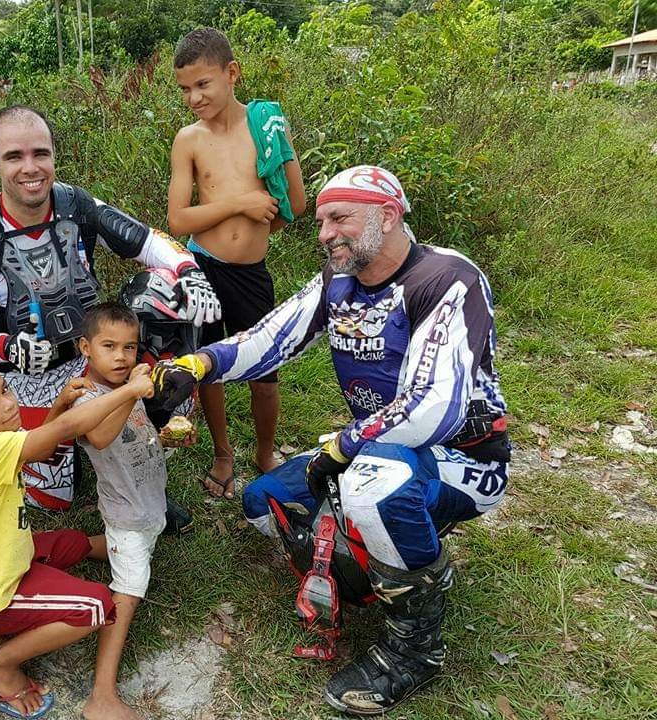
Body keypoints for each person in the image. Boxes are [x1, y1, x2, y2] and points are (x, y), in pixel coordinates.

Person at [148, 165, 511, 714]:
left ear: (387, 215)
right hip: (374, 448)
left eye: (339, 218)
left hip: (464, 457)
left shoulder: (446, 278)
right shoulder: (338, 280)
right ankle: (394, 562)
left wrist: (343, 447)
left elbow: (433, 406)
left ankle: (415, 650)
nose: (324, 234)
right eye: (320, 222)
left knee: (374, 491)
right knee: (264, 503)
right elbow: (270, 337)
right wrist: (198, 365)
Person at [0, 104, 220, 512]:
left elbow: (147, 241)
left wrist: (189, 272)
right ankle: (68, 450)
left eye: (40, 153)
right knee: (53, 499)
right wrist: (6, 347)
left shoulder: (75, 205)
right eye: (14, 156)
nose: (30, 168)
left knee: (166, 290)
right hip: (22, 378)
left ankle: (147, 449)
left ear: (54, 155)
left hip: (90, 356)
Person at [0, 357, 155, 719]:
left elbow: (43, 448)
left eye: (5, 390)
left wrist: (60, 403)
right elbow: (68, 428)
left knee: (69, 541)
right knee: (95, 606)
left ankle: (126, 545)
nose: (8, 404)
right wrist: (130, 390)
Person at [168, 27, 306, 499]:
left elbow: (295, 204)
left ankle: (266, 453)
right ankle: (223, 453)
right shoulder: (189, 140)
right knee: (210, 368)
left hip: (250, 274)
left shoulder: (266, 128)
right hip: (202, 270)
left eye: (203, 84)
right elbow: (178, 218)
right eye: (185, 89)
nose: (194, 98)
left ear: (232, 73)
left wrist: (255, 230)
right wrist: (239, 205)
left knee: (265, 372)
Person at [72, 303, 171, 720]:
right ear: (85, 348)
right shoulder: (85, 396)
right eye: (109, 346)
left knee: (136, 543)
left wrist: (167, 437)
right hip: (126, 512)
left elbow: (133, 433)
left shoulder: (127, 385)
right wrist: (130, 391)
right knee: (128, 591)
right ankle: (101, 696)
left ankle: (58, 549)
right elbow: (99, 437)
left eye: (129, 347)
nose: (121, 356)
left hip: (147, 505)